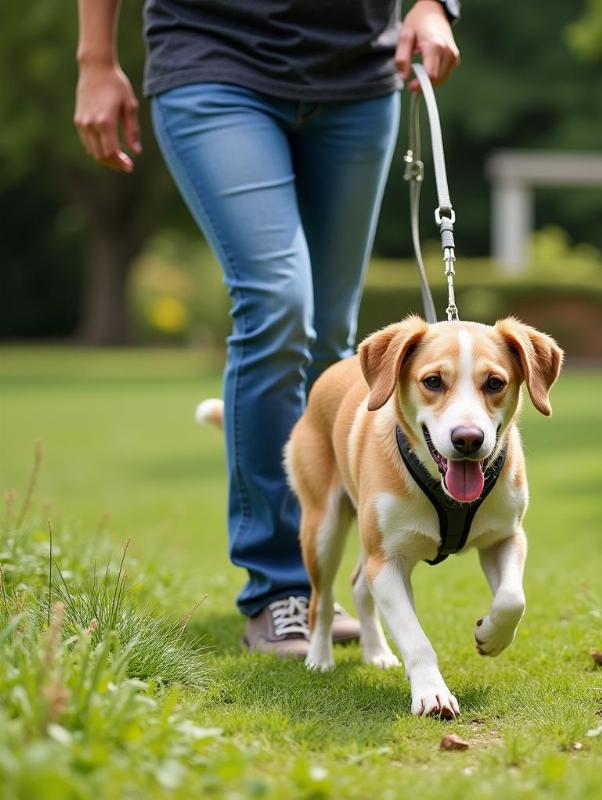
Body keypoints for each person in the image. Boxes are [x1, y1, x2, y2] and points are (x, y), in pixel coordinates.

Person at [74, 1, 461, 656]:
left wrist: (432, 5)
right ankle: (278, 588)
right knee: (278, 305)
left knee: (337, 345)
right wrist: (96, 59)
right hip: (212, 57)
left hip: (358, 74)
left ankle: (327, 581)